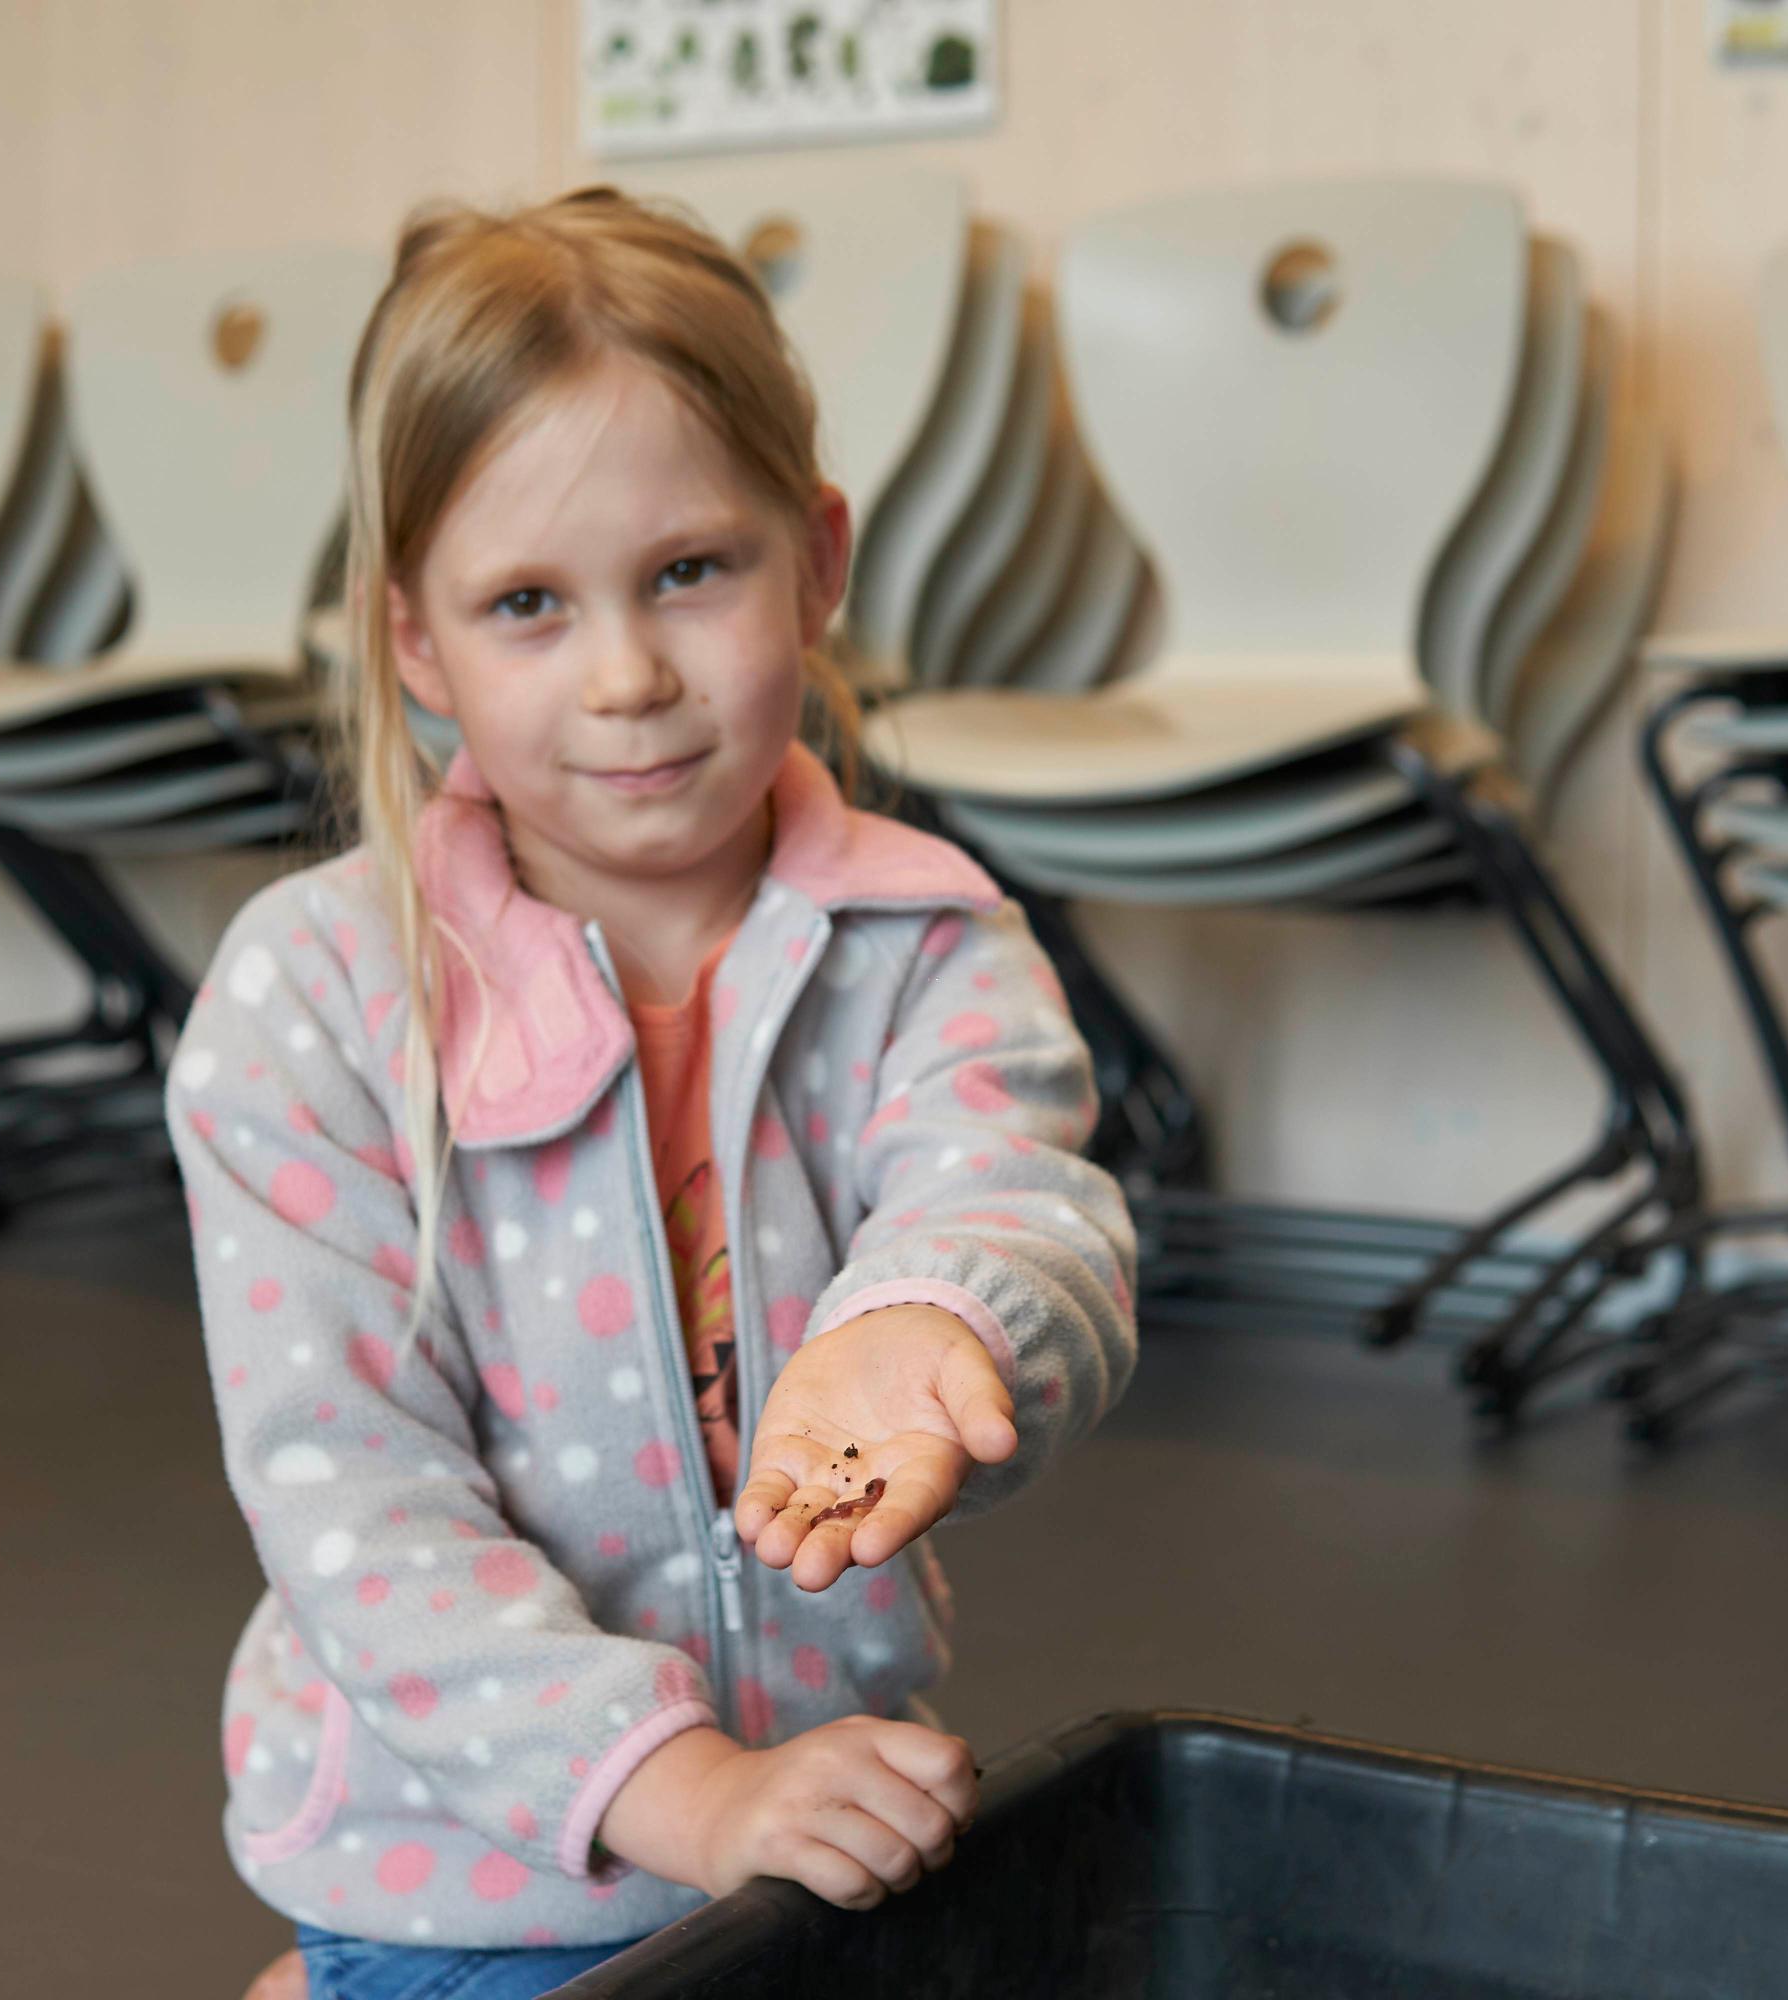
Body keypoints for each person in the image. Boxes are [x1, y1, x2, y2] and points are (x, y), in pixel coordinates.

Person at [172, 186, 1138, 2000]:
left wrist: (932, 1320)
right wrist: (685, 1795)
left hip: (820, 1842)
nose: (626, 677)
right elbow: (356, 1508)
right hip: (463, 1871)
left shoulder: (929, 939)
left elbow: (1016, 1195)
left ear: (819, 556)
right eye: (527, 605)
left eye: (691, 571)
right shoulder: (307, 1000)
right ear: (416, 644)